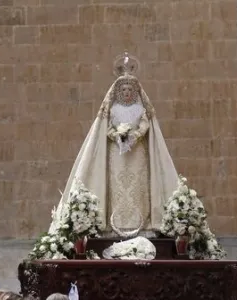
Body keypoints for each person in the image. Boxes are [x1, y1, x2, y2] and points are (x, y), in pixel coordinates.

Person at [48, 52, 179, 235]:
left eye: (129, 90)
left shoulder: (140, 108)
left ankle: (141, 224)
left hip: (137, 152)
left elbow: (145, 124)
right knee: (117, 186)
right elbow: (107, 128)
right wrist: (117, 136)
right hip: (116, 153)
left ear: (134, 92)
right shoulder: (114, 109)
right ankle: (115, 225)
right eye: (123, 90)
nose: (126, 92)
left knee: (137, 187)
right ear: (118, 92)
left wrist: (135, 135)